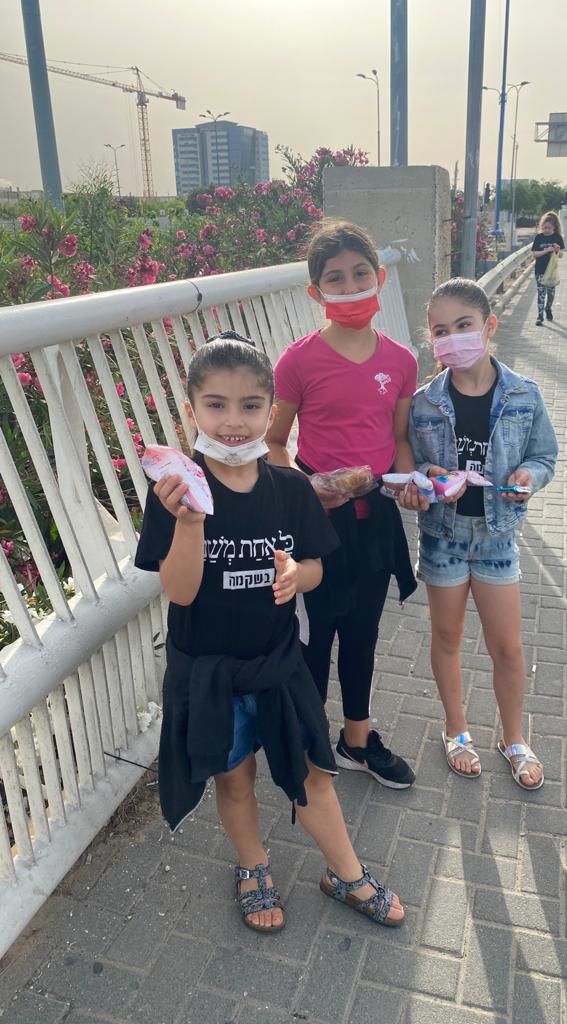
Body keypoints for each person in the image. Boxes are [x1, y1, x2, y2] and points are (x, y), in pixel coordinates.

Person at [135, 333, 405, 932]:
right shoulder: (175, 493)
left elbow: (317, 565)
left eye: (250, 405)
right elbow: (179, 592)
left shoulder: (289, 488)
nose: (233, 421)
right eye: (216, 404)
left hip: (279, 662)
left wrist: (298, 576)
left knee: (314, 771)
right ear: (191, 408)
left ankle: (346, 873)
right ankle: (253, 866)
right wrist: (189, 524)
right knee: (236, 780)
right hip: (210, 669)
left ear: (271, 409)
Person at [268, 220, 426, 790]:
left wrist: (406, 483)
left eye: (361, 273)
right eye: (335, 278)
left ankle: (356, 741)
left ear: (380, 278)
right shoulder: (297, 361)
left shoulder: (402, 360)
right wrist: (305, 486)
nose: (351, 285)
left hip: (376, 517)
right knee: (314, 635)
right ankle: (312, 742)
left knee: (363, 633)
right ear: (316, 292)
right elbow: (274, 443)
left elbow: (399, 438)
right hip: (318, 521)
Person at [407, 278, 558, 787]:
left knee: (507, 647)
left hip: (497, 538)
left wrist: (528, 477)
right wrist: (424, 479)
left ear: (489, 326)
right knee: (447, 637)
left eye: (464, 325)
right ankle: (456, 730)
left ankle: (513, 738)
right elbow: (413, 466)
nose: (452, 339)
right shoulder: (423, 402)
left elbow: (544, 456)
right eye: (440, 331)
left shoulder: (524, 394)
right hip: (442, 537)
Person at [531, 210, 565, 326]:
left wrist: (557, 250)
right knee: (541, 293)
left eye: (549, 228)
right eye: (544, 228)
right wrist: (546, 250)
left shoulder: (558, 238)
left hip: (551, 271)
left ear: (554, 227)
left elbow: (561, 255)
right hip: (540, 270)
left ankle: (548, 308)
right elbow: (535, 254)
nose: (546, 230)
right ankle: (540, 316)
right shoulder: (539, 238)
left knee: (551, 294)